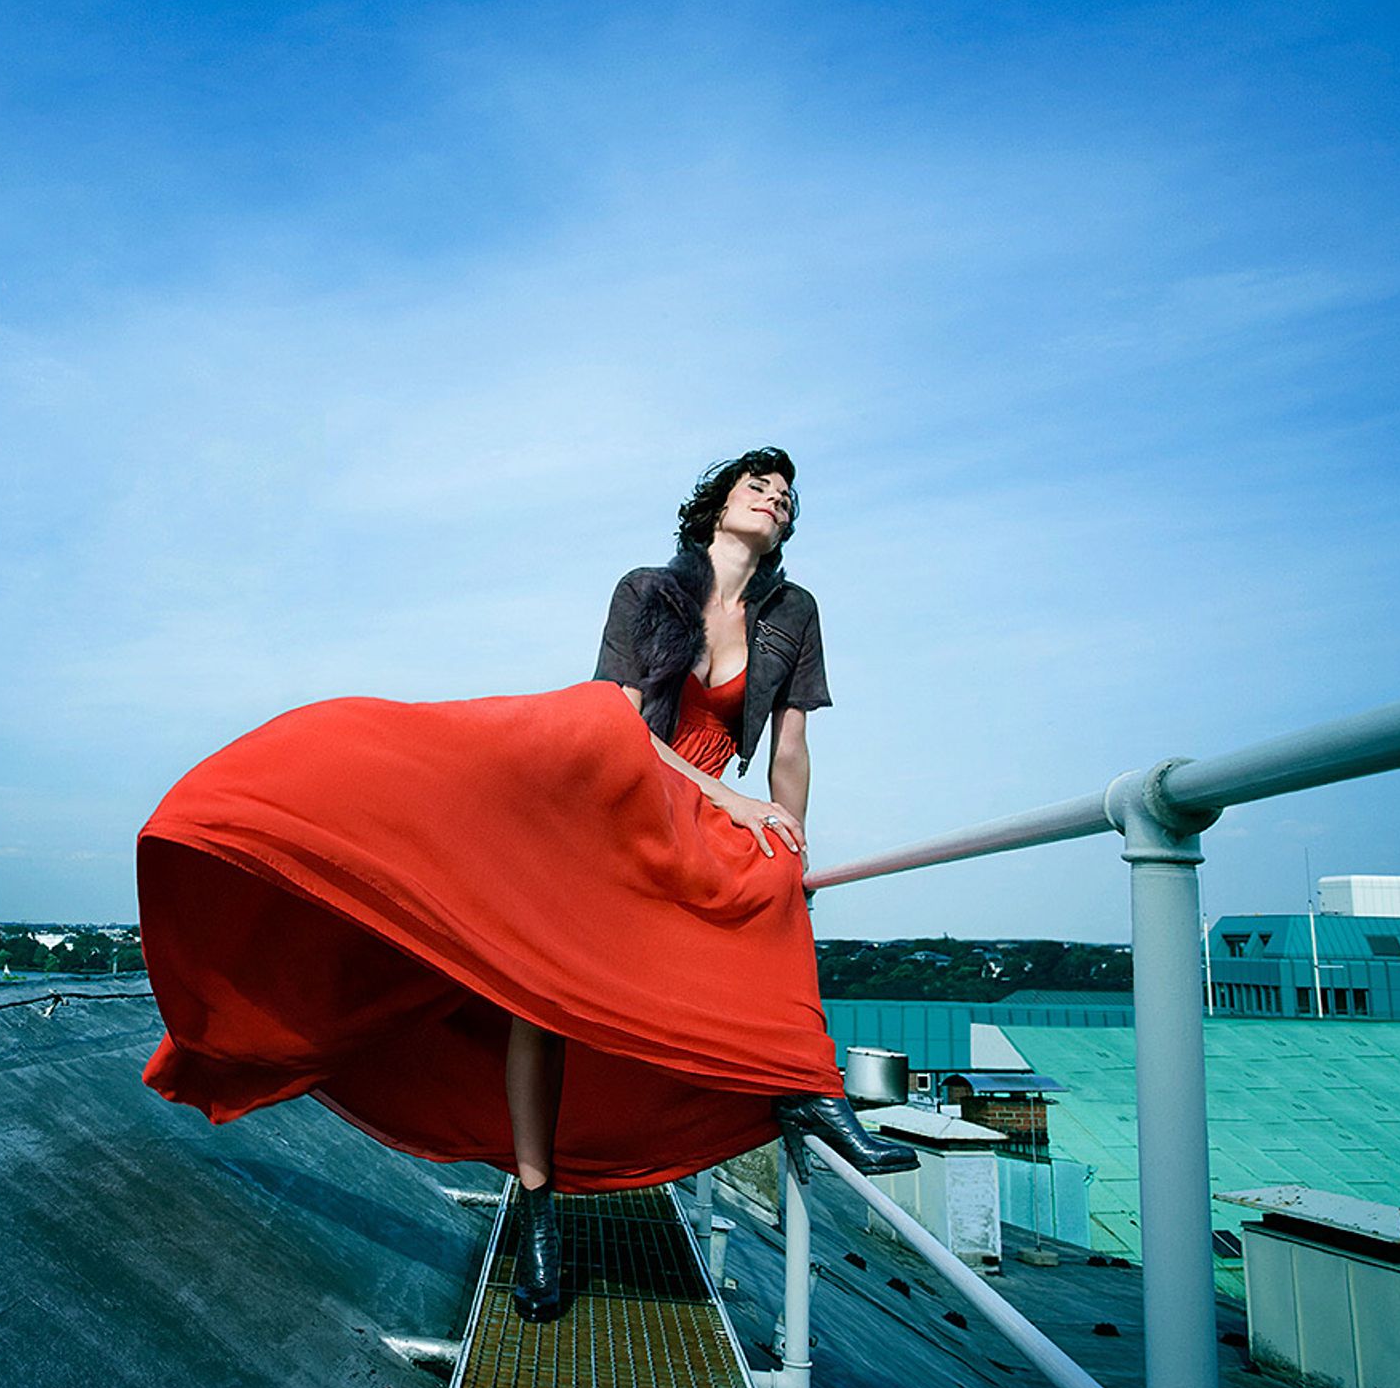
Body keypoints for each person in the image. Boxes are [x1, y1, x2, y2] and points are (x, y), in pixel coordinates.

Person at [135, 447, 912, 1328]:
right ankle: (541, 1220)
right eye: (756, 485)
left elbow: (793, 746)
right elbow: (618, 721)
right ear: (716, 507)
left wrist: (788, 831)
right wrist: (725, 796)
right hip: (620, 795)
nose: (775, 497)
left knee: (772, 880)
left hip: (711, 810)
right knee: (539, 999)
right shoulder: (646, 591)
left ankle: (808, 1088)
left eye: (785, 494)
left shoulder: (792, 612)